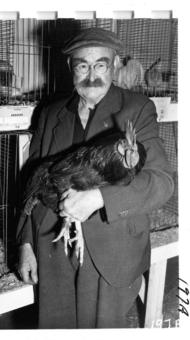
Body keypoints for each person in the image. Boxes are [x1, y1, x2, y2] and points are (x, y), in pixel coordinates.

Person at [16, 27, 174, 328]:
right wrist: (24, 242)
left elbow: (162, 181)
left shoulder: (137, 108)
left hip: (111, 248)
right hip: (53, 245)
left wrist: (100, 198)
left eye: (101, 64)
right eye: (83, 66)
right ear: (70, 68)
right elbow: (32, 182)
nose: (92, 75)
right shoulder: (50, 113)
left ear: (114, 65)